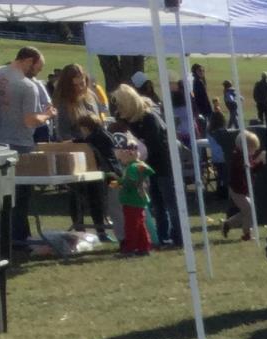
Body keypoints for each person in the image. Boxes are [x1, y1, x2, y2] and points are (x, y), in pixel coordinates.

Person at [0, 47, 52, 242]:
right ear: (28, 61)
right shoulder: (27, 86)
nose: (36, 73)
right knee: (22, 194)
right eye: (37, 68)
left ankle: (4, 234)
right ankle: (19, 236)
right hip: (20, 142)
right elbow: (30, 121)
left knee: (1, 193)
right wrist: (48, 115)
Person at [111, 86, 182, 249]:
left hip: (164, 165)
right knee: (157, 204)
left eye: (120, 104)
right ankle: (162, 237)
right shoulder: (131, 120)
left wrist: (138, 155)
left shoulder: (149, 118)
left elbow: (154, 145)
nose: (118, 109)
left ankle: (178, 237)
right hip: (148, 167)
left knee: (170, 202)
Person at [54, 64, 112, 242]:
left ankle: (101, 230)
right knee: (77, 193)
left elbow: (98, 122)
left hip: (95, 151)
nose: (80, 87)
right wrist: (78, 143)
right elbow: (63, 132)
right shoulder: (63, 103)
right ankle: (78, 230)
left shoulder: (91, 96)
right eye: (76, 84)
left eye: (82, 83)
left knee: (98, 192)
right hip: (76, 152)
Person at [116, 142, 156, 257]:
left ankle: (130, 249)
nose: (120, 160)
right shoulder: (139, 165)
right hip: (139, 199)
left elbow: (129, 183)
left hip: (131, 200)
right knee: (140, 225)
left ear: (128, 155)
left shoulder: (132, 168)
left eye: (121, 157)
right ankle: (144, 247)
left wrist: (113, 182)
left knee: (131, 226)